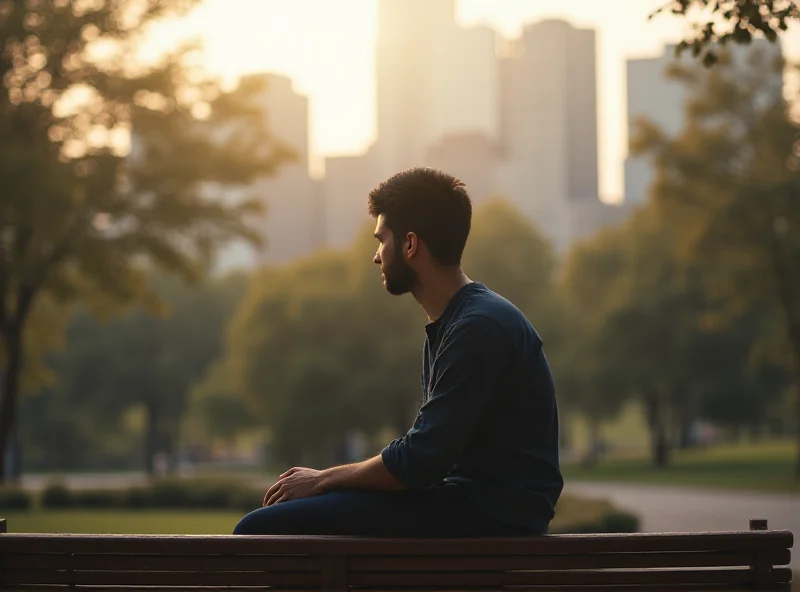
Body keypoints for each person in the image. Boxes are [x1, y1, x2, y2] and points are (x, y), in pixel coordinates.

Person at [233, 167, 563, 537]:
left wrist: (323, 480)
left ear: (410, 245)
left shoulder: (479, 327)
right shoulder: (459, 322)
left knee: (259, 529)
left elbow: (420, 460)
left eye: (381, 239)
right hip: (472, 505)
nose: (376, 256)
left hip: (489, 515)